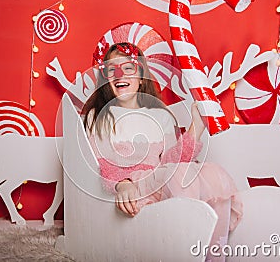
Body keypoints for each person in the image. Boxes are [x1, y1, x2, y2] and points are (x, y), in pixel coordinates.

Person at [83, 42, 243, 261]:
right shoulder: (101, 117)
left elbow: (172, 161)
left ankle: (213, 254)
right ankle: (184, 252)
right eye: (112, 69)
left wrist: (196, 127)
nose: (119, 74)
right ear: (105, 80)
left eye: (128, 68)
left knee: (211, 172)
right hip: (136, 188)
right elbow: (101, 162)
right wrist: (123, 184)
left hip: (165, 181)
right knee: (179, 175)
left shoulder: (161, 115)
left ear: (141, 76)